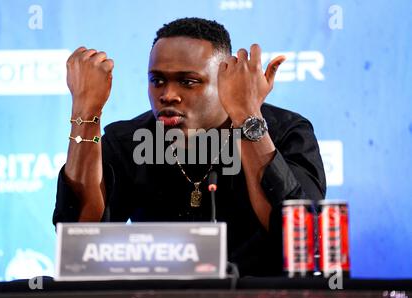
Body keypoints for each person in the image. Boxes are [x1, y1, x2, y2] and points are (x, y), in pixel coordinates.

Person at [53, 17, 326, 276]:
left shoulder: (286, 132)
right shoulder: (127, 140)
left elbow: (302, 239)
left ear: (226, 81)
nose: (168, 95)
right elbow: (79, 240)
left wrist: (247, 117)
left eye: (188, 82)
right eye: (157, 80)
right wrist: (85, 112)